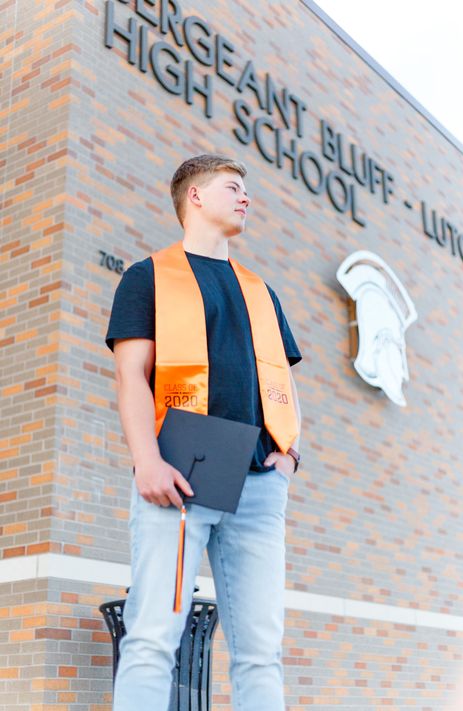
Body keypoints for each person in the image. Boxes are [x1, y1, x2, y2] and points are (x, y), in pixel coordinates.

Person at [105, 154, 303, 711]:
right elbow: (130, 377)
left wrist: (288, 456)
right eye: (233, 187)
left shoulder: (261, 291)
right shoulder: (148, 276)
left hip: (259, 483)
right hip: (178, 477)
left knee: (262, 650)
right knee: (151, 640)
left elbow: (282, 380)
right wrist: (146, 459)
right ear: (194, 197)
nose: (246, 198)